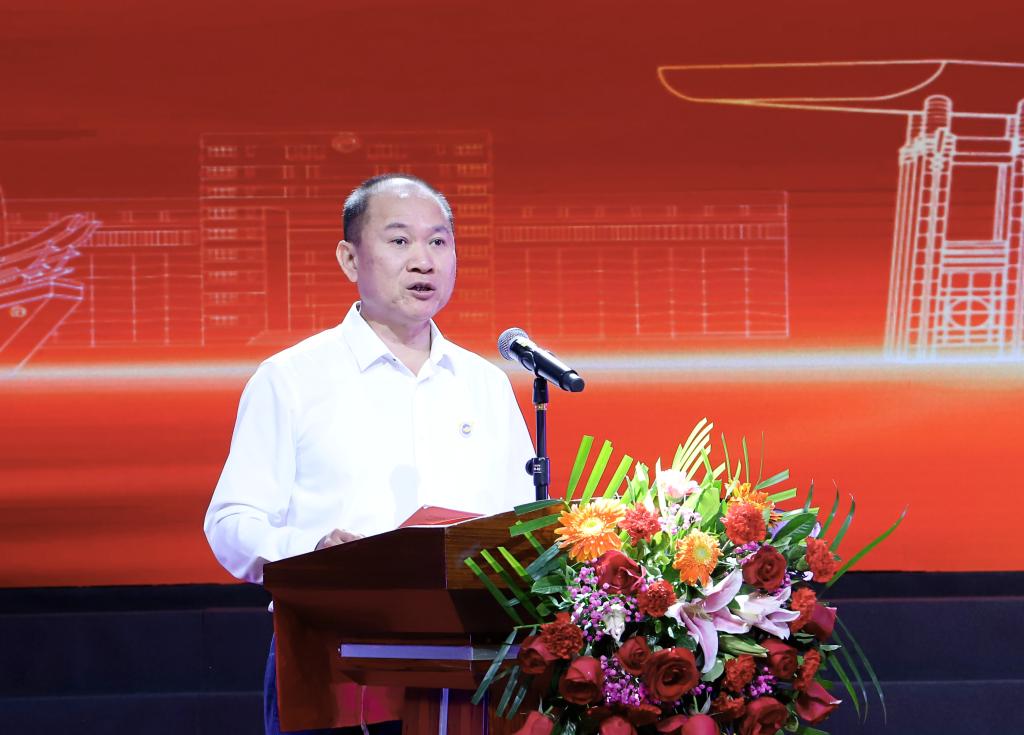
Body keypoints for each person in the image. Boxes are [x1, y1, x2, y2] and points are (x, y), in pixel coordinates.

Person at [204, 173, 536, 734]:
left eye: (438, 241)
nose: (424, 261)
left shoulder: (485, 383)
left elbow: (521, 523)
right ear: (350, 258)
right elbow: (231, 523)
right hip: (335, 660)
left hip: (471, 665)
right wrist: (312, 552)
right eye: (400, 240)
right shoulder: (292, 378)